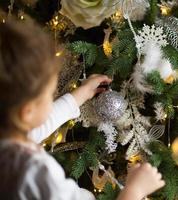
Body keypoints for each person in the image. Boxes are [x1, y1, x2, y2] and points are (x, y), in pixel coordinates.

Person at [0, 19, 165, 200]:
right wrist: (135, 190)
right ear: (27, 112)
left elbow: (39, 127)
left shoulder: (9, 139)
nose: (51, 97)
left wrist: (79, 95)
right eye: (49, 93)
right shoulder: (35, 173)